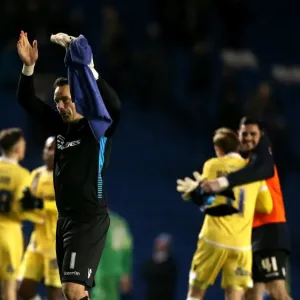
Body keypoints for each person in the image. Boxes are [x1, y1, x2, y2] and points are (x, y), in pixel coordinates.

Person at [17, 31, 121, 300]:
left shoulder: (96, 129)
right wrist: (29, 66)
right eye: (57, 101)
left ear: (81, 99)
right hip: (65, 220)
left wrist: (88, 68)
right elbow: (26, 101)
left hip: (88, 218)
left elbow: (114, 106)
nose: (61, 106)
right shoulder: (61, 129)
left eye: (66, 99)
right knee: (73, 292)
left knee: (73, 290)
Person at [192, 117, 292, 299]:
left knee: (276, 290)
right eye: (244, 134)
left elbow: (265, 200)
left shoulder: (260, 164)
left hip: (270, 230)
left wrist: (222, 181)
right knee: (251, 295)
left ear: (261, 135)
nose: (248, 138)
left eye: (253, 134)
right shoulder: (245, 165)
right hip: (248, 236)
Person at [176, 128, 273, 300]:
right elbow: (267, 207)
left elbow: (205, 197)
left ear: (218, 149)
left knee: (195, 294)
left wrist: (196, 192)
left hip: (213, 239)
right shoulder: (254, 172)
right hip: (240, 245)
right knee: (234, 296)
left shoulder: (213, 165)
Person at [18, 136, 62, 300]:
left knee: (54, 295)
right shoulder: (36, 174)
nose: (50, 152)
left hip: (57, 245)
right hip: (37, 243)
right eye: (47, 148)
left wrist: (40, 205)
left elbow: (65, 208)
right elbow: (26, 205)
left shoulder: (66, 176)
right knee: (22, 288)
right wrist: (27, 207)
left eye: (54, 149)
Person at [0, 128, 32, 300]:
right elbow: (19, 210)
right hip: (8, 236)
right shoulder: (22, 175)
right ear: (18, 149)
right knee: (9, 290)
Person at [92, 210, 133, 300]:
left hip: (109, 274)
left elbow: (126, 249)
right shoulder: (119, 222)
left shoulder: (118, 223)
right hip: (97, 274)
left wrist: (125, 273)